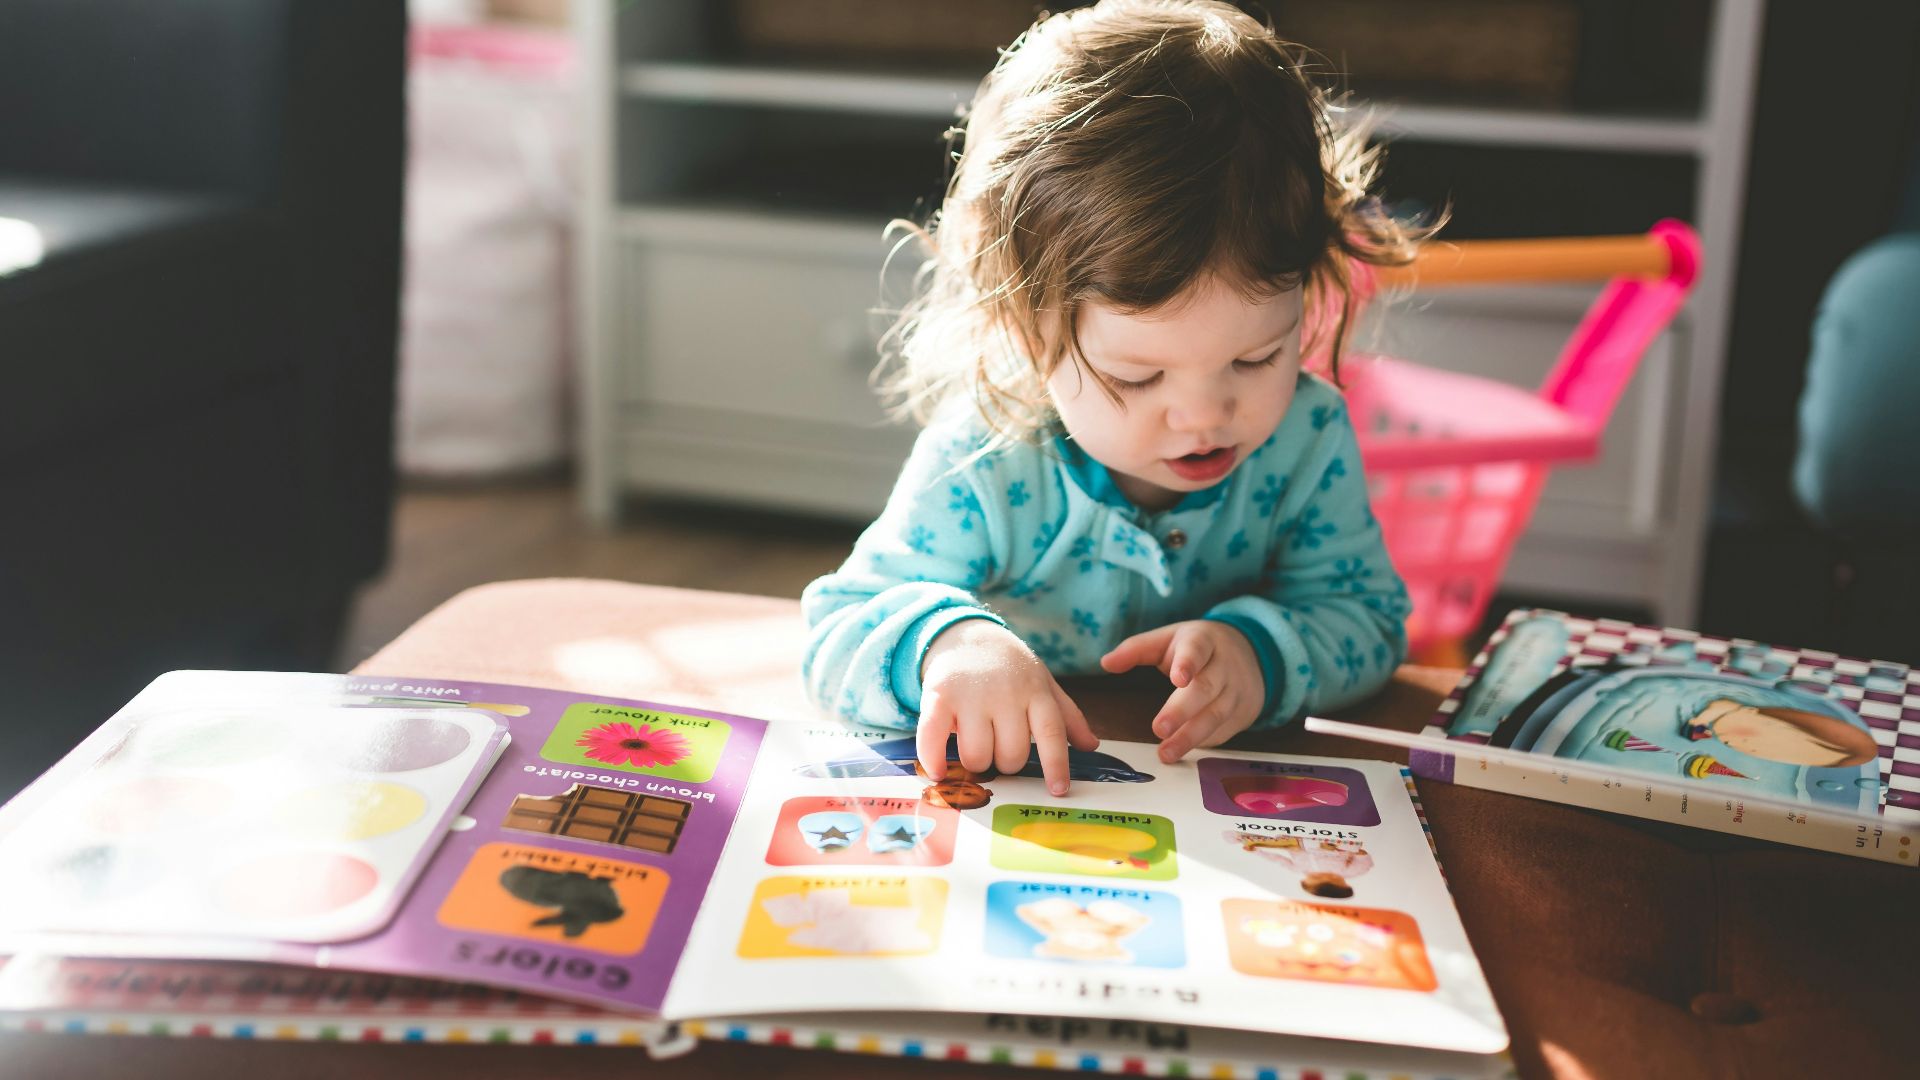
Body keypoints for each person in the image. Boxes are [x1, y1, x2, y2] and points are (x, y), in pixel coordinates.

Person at [802, 0, 1424, 795]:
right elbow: (839, 626)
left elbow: (1367, 619)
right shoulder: (989, 454)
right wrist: (948, 644)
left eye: (1258, 356)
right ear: (1023, 329)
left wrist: (1259, 654)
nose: (1204, 414)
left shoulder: (1306, 437)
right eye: (1139, 377)